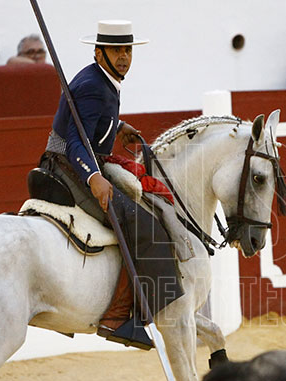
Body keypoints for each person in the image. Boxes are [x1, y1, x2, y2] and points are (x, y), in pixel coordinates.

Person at [39, 20, 182, 343]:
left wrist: (117, 127)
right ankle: (117, 318)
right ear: (98, 53)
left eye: (127, 50)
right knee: (143, 225)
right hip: (69, 167)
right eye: (116, 50)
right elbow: (76, 141)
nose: (123, 57)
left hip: (82, 161)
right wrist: (93, 178)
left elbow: (89, 120)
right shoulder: (93, 85)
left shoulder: (102, 79)